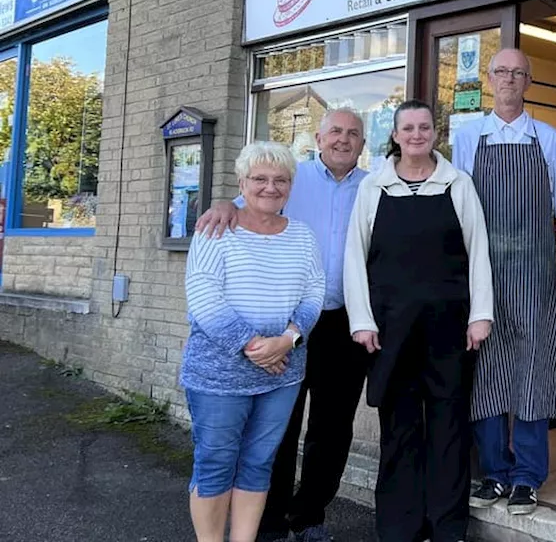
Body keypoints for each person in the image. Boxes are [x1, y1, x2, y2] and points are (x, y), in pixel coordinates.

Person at [196, 108, 370, 542]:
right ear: (318, 137)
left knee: (332, 429)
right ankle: (269, 525)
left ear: (363, 144)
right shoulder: (292, 177)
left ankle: (309, 517)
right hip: (286, 324)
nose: (343, 140)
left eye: (352, 134)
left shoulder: (374, 186)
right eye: (335, 132)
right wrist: (221, 203)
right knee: (279, 428)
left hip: (344, 323)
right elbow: (248, 198)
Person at [343, 100, 494, 542]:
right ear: (394, 134)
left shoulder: (458, 184)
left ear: (434, 133)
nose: (416, 135)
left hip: (450, 328)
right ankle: (398, 526)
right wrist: (361, 321)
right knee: (399, 427)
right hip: (390, 330)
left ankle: (448, 527)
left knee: (449, 427)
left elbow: (478, 253)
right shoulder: (374, 188)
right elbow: (355, 259)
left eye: (424, 127)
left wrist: (481, 315)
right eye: (407, 127)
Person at [452, 48, 556, 516]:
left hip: (534, 272)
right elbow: (459, 210)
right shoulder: (469, 137)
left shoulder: (547, 138)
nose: (509, 79)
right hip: (483, 271)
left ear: (529, 82)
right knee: (486, 372)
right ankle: (493, 473)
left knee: (534, 371)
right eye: (501, 72)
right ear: (489, 80)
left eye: (518, 73)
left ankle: (527, 477)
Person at [180, 141, 326, 542]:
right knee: (215, 463)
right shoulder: (216, 229)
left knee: (259, 463)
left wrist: (290, 338)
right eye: (259, 179)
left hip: (282, 374)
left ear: (290, 186)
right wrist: (254, 346)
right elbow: (204, 295)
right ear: (241, 183)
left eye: (280, 180)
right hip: (219, 376)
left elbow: (315, 290)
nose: (270, 187)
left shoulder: (302, 237)